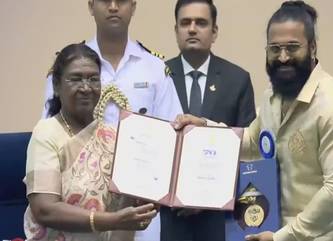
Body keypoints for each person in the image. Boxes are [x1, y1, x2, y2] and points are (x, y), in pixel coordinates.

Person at [174, 1, 333, 241]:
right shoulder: (273, 98)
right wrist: (205, 126)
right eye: (275, 49)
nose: (283, 57)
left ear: (313, 47)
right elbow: (252, 141)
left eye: (292, 47)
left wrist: (282, 236)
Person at [42, 1, 183, 240]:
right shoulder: (69, 66)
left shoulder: (155, 68)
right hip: (78, 210)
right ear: (91, 6)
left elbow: (174, 138)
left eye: (122, 1)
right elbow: (52, 136)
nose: (114, 7)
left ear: (134, 6)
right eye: (106, 0)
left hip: (140, 210)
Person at [24, 43, 157, 241]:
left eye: (93, 79)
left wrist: (145, 204)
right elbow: (45, 209)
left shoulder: (114, 137)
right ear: (57, 86)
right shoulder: (46, 133)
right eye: (76, 79)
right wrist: (110, 220)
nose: (86, 87)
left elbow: (126, 207)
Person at [161, 1, 256, 241]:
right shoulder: (158, 75)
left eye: (201, 23)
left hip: (219, 221)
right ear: (176, 31)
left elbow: (248, 153)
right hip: (166, 218)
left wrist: (207, 197)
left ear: (214, 32)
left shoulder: (238, 80)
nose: (192, 29)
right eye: (185, 23)